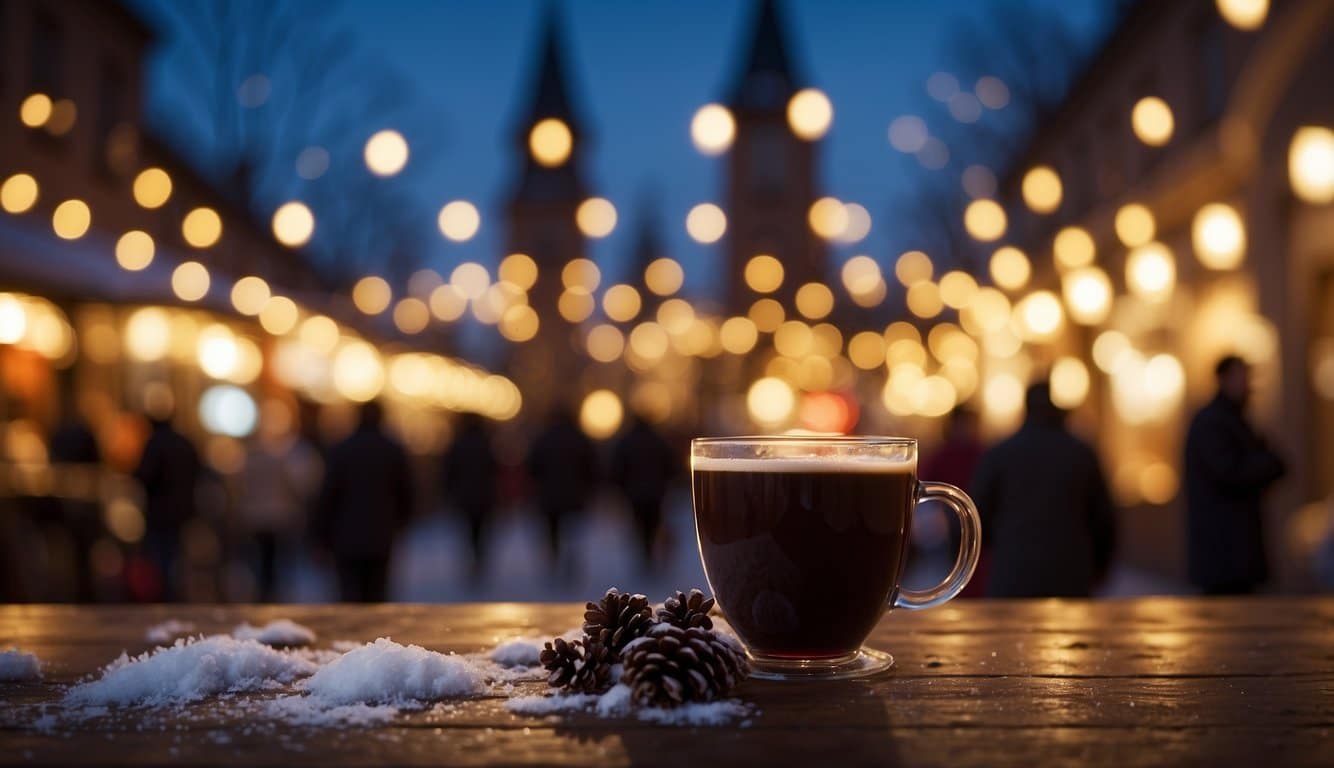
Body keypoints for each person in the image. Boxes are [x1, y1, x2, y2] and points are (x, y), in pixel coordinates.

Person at [971, 382, 1116, 598]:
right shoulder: (1081, 454)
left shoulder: (1001, 453)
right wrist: (1100, 569)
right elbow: (1104, 520)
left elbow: (976, 515)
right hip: (1070, 574)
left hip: (1012, 573)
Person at [1184, 356, 1286, 595]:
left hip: (1234, 548)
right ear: (1224, 379)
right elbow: (1229, 471)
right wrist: (1268, 465)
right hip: (1223, 549)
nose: (1247, 384)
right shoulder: (1213, 422)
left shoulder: (1234, 420)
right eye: (1240, 377)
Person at [312, 401, 414, 602]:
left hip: (346, 532)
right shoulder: (393, 450)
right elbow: (406, 491)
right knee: (377, 590)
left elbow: (328, 494)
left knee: (349, 593)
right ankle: (375, 631)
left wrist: (320, 534)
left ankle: (352, 629)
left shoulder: (341, 449)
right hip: (382, 530)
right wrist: (401, 522)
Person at [237, 400, 321, 602]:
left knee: (271, 564)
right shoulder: (293, 451)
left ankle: (270, 597)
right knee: (275, 563)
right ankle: (274, 598)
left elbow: (240, 483)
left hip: (267, 516)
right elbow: (307, 483)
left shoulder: (253, 451)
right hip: (279, 516)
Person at [133, 388, 201, 602]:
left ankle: (164, 596)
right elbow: (200, 472)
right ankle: (177, 594)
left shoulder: (154, 444)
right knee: (177, 556)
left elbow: (144, 475)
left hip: (159, 512)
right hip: (183, 510)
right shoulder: (184, 442)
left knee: (161, 557)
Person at [920, 407, 987, 596]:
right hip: (950, 520)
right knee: (953, 564)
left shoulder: (980, 452)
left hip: (978, 517)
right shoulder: (943, 454)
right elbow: (924, 487)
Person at [525, 406, 598, 574]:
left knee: (552, 529)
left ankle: (554, 557)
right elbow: (591, 467)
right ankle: (569, 560)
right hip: (574, 493)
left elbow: (533, 467)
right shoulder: (579, 439)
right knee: (572, 531)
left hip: (548, 494)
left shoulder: (543, 440)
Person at [610, 413, 678, 571]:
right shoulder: (658, 440)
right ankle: (651, 557)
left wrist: (621, 487)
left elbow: (617, 468)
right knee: (653, 525)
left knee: (640, 526)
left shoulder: (627, 442)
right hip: (656, 493)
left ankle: (645, 556)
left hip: (635, 494)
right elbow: (671, 465)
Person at [440, 413, 499, 581]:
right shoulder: (486, 444)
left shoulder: (457, 445)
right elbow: (493, 470)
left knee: (469, 529)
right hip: (484, 495)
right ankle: (479, 559)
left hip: (464, 496)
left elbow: (449, 472)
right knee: (481, 529)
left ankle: (472, 560)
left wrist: (449, 492)